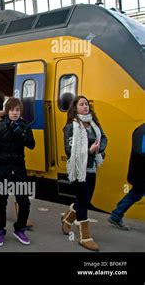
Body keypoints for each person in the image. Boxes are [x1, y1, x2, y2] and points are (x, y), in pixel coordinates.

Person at [0, 97, 35, 247]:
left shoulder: (25, 125)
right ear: (7, 111)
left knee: (24, 203)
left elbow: (32, 145)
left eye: (18, 110)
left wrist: (20, 132)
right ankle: (0, 231)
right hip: (2, 169)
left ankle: (19, 229)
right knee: (1, 202)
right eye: (12, 110)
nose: (15, 113)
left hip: (19, 169)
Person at [62, 95, 107, 251]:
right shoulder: (70, 127)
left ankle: (67, 219)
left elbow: (104, 138)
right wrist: (89, 150)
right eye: (82, 104)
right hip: (78, 169)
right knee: (83, 201)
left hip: (91, 167)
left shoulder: (93, 124)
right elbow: (69, 150)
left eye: (87, 104)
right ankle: (85, 236)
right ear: (75, 108)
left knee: (85, 200)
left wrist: (98, 149)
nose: (85, 107)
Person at [108, 124, 144, 230]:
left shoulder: (141, 128)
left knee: (135, 194)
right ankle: (116, 215)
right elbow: (142, 151)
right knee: (135, 194)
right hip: (141, 172)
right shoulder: (143, 131)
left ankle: (116, 215)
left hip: (139, 172)